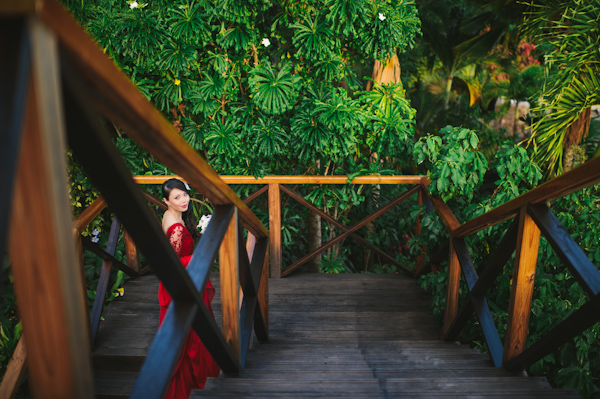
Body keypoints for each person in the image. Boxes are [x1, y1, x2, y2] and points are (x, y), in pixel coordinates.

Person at [158, 178, 220, 398]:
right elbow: (173, 264)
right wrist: (199, 256)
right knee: (192, 333)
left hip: (188, 276)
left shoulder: (174, 216)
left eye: (185, 194)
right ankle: (193, 384)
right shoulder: (175, 228)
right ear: (166, 201)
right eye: (177, 197)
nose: (184, 200)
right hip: (183, 281)